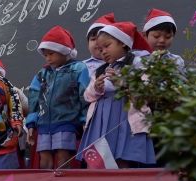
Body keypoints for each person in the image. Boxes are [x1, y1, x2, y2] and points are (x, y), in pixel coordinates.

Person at [77, 22, 155, 168]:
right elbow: (87, 96)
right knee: (96, 160)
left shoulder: (138, 63)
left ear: (123, 43)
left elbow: (146, 88)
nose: (103, 52)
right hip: (101, 118)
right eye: (100, 49)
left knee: (121, 155)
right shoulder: (101, 70)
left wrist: (122, 82)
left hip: (124, 114)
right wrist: (96, 87)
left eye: (107, 46)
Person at [26, 26, 90, 169]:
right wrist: (31, 123)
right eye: (45, 55)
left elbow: (84, 94)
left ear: (64, 51)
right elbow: (34, 98)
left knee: (63, 155)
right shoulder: (43, 73)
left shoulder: (78, 68)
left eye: (51, 53)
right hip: (43, 123)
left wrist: (85, 119)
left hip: (67, 121)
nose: (48, 58)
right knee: (44, 156)